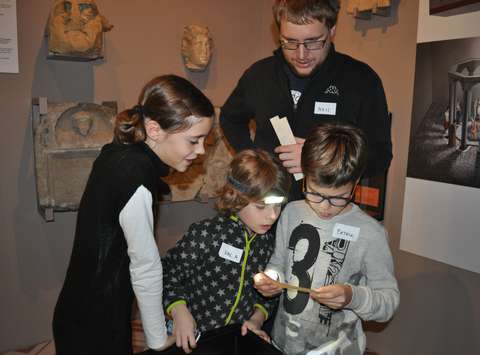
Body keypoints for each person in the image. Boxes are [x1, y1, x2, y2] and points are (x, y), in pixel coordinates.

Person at [52, 75, 215, 355]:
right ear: (154, 129)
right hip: (97, 323)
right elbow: (145, 265)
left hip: (77, 308)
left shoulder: (118, 154)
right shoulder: (137, 177)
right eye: (193, 140)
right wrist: (156, 339)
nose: (200, 151)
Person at [220, 0, 392, 200]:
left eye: (313, 42)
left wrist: (322, 159)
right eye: (290, 42)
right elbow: (230, 118)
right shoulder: (259, 75)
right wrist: (253, 160)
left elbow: (380, 156)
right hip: (265, 206)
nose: (301, 55)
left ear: (332, 30)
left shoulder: (361, 79)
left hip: (327, 210)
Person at [254, 122, 399, 355]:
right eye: (314, 192)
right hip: (283, 343)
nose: (325, 207)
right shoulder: (291, 212)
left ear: (355, 183)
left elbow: (388, 302)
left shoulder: (371, 233)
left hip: (338, 349)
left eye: (338, 197)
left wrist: (352, 296)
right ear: (305, 175)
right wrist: (272, 279)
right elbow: (279, 263)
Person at [162, 149, 291, 353]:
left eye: (278, 206)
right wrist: (179, 311)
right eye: (261, 207)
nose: (272, 216)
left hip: (232, 343)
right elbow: (166, 272)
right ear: (236, 197)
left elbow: (267, 297)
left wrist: (256, 320)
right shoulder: (206, 234)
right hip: (192, 339)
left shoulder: (269, 244)